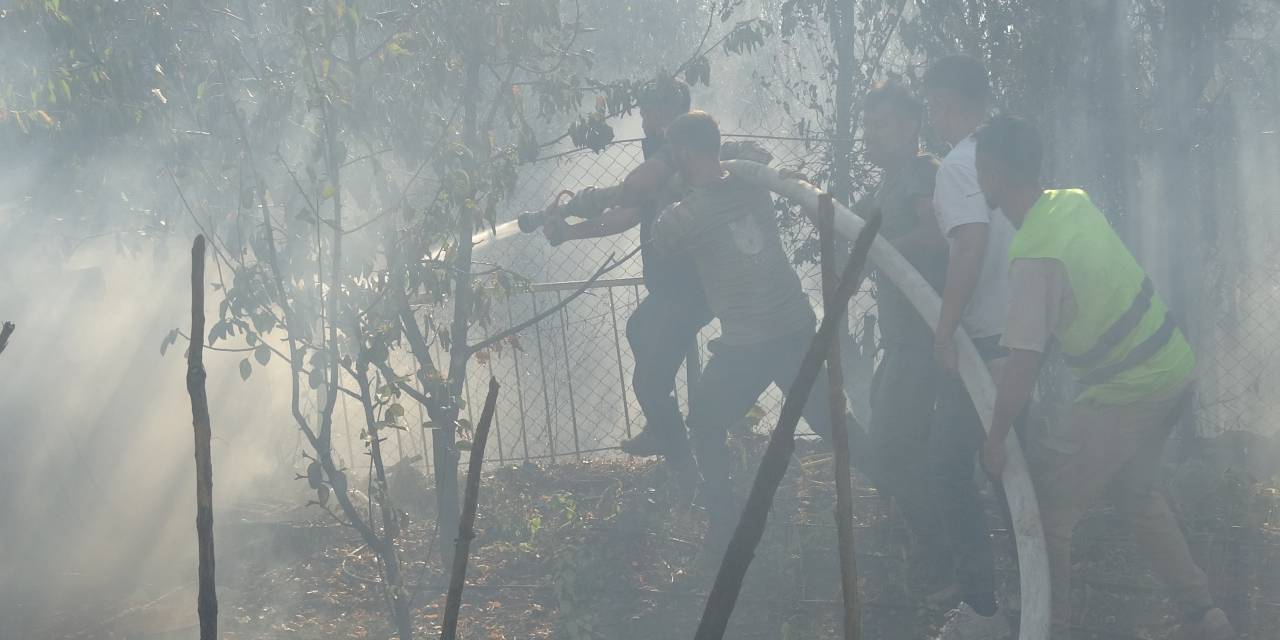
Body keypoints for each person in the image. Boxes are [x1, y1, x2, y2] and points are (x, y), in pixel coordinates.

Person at [975, 114, 1235, 640]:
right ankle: (1204, 618)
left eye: (980, 164)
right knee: (1136, 494)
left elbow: (1023, 365)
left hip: (1132, 388)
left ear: (996, 172)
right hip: (1172, 367)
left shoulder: (1033, 255)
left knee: (1050, 505)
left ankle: (1048, 627)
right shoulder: (1071, 201)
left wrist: (996, 438)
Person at [650, 111, 865, 546]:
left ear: (684, 152)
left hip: (752, 343)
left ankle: (724, 528)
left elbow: (660, 239)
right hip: (790, 331)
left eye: (676, 152)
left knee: (708, 426)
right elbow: (756, 157)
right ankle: (899, 488)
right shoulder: (753, 181)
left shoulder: (684, 214)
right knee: (835, 428)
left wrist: (662, 188)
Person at [541, 77, 712, 466]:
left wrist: (587, 204)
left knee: (648, 384)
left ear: (671, 110)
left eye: (651, 107)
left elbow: (632, 194)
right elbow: (632, 213)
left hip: (690, 291)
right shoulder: (660, 150)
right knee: (638, 329)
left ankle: (685, 471)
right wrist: (570, 232)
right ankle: (666, 435)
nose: (643, 114)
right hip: (672, 290)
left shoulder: (679, 152)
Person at [921, 53, 1012, 620]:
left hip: (983, 339)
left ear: (949, 101)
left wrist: (945, 328)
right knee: (1004, 464)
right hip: (1018, 331)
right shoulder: (1005, 156)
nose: (932, 113)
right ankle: (1028, 585)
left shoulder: (958, 164)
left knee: (949, 465)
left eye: (932, 101)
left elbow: (971, 245)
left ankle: (982, 601)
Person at [855, 82, 954, 597]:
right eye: (868, 124)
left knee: (893, 448)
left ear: (912, 128)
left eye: (883, 124)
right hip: (901, 342)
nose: (871, 134)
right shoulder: (887, 184)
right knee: (891, 442)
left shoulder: (920, 174)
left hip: (920, 340)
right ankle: (931, 545)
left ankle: (944, 561)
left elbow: (938, 236)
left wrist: (886, 249)